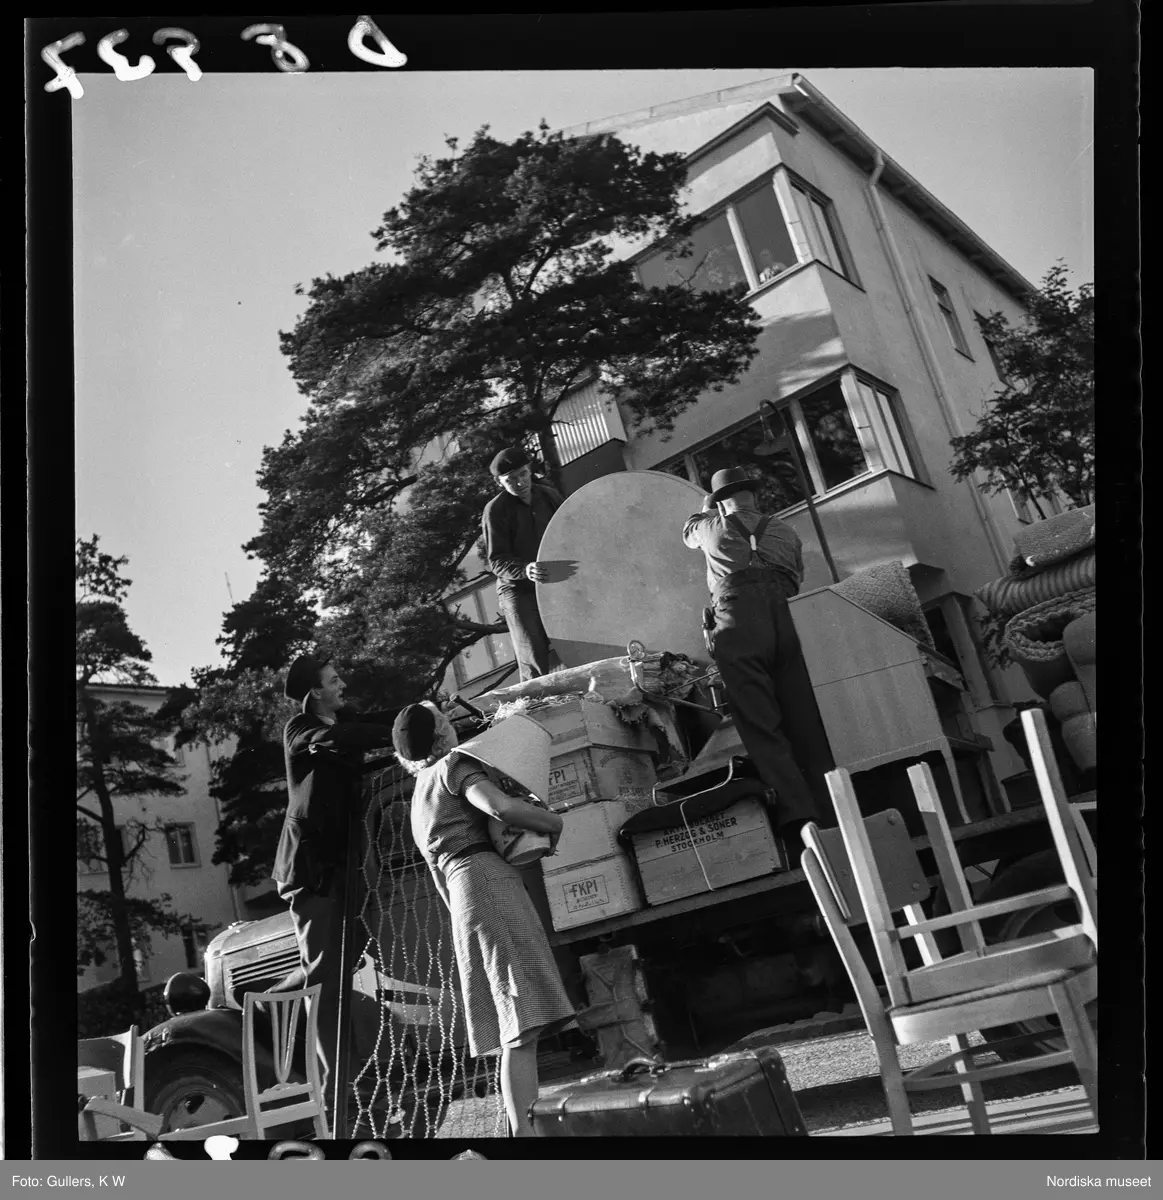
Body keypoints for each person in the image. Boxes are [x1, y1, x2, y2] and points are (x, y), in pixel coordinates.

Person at [393, 702, 575, 1137]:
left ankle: (523, 1131)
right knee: (521, 1025)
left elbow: (439, 880)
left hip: (464, 897)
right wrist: (552, 821)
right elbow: (499, 807)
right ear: (442, 732)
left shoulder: (417, 797)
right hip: (488, 882)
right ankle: (525, 1137)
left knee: (518, 1021)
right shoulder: (454, 767)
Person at [256, 654, 398, 1129]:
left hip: (343, 868)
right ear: (315, 692)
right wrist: (398, 733)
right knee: (325, 982)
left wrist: (423, 716)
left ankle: (279, 997)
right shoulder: (301, 730)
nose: (343, 685)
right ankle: (340, 1095)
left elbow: (375, 723)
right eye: (334, 680)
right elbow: (339, 739)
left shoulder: (347, 719)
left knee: (340, 967)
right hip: (310, 871)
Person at [682, 467, 834, 853]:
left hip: (739, 622)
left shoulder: (710, 527)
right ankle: (833, 808)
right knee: (805, 720)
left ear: (720, 502)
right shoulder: (786, 531)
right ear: (755, 495)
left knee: (760, 722)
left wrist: (707, 509)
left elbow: (688, 532)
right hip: (789, 617)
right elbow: (797, 576)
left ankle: (800, 817)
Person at [481, 446, 564, 681]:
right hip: (518, 589)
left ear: (529, 470)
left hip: (554, 581)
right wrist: (525, 569)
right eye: (510, 480)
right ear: (499, 482)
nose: (520, 483)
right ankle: (535, 697)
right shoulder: (495, 510)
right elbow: (497, 561)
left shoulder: (548, 495)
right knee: (532, 653)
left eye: (523, 474)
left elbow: (569, 530)